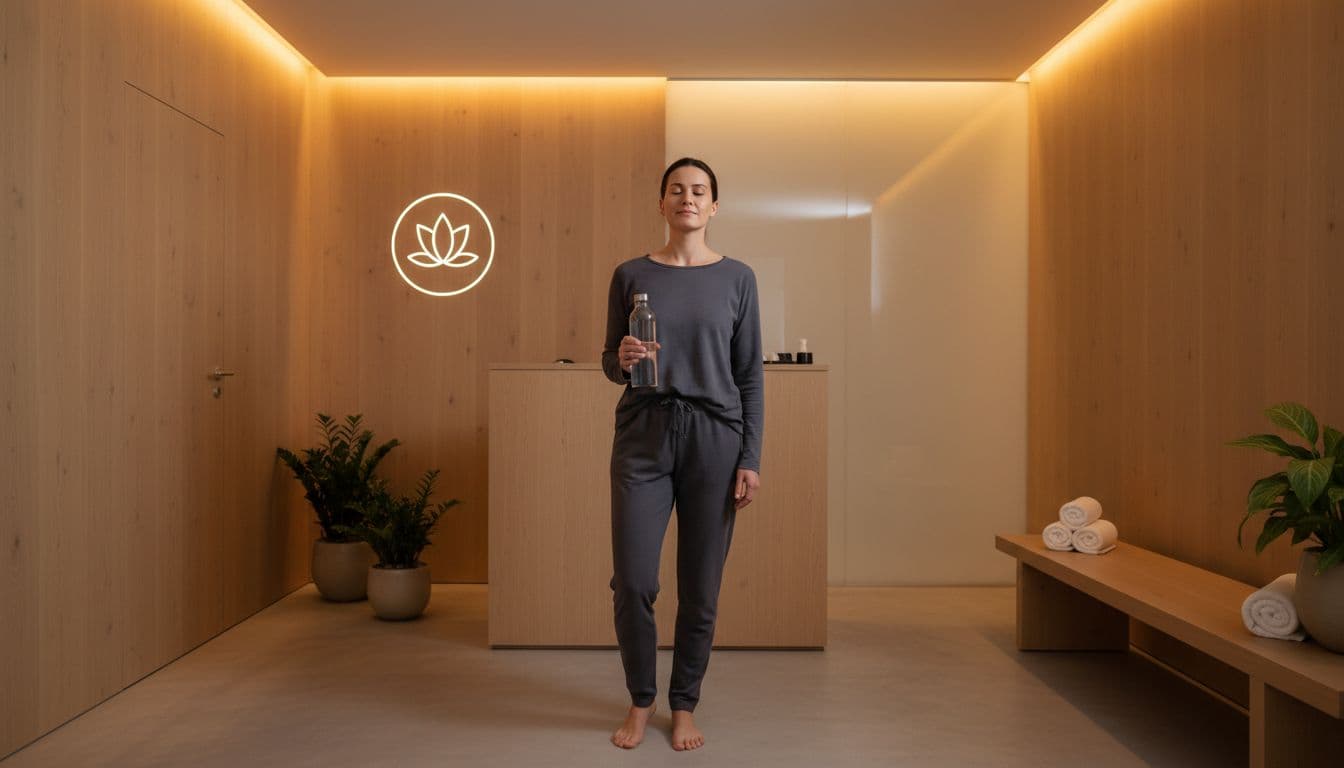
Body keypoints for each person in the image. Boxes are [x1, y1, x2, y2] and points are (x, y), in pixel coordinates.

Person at [601, 157, 764, 751]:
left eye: (699, 191)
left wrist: (751, 456)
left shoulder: (739, 278)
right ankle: (641, 699)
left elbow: (749, 376)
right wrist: (619, 359)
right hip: (643, 434)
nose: (687, 199)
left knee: (701, 584)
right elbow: (608, 362)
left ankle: (684, 703)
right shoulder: (630, 275)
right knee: (635, 580)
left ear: (714, 205)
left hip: (715, 439)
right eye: (677, 190)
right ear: (662, 202)